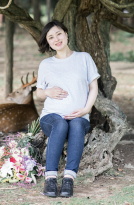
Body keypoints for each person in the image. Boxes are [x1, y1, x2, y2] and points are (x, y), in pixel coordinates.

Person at [36, 20, 100, 198]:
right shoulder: (46, 64)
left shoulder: (84, 58)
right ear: (48, 42)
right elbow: (38, 94)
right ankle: (50, 179)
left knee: (77, 125)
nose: (56, 39)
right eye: (50, 37)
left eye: (58, 34)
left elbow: (93, 87)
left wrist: (86, 109)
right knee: (61, 124)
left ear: (66, 34)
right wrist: (48, 91)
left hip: (79, 116)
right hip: (51, 117)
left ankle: (68, 180)